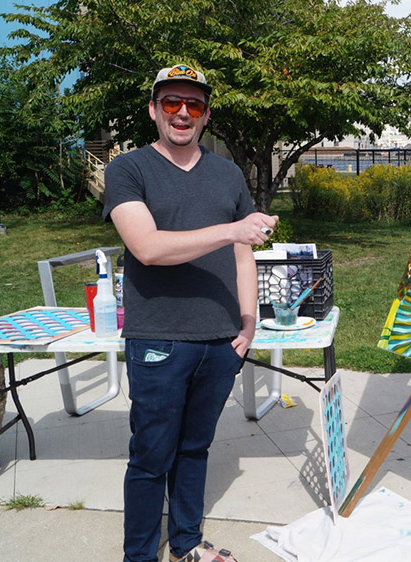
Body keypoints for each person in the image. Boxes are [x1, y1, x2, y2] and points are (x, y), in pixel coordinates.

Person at [103, 64, 277, 562]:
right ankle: (138, 556)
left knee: (195, 449)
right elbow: (148, 248)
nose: (183, 113)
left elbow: (244, 254)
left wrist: (249, 322)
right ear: (154, 109)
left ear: (204, 115)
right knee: (151, 457)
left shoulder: (227, 172)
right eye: (172, 103)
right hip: (159, 338)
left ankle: (185, 544)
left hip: (222, 341)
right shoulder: (128, 169)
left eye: (194, 105)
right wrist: (232, 230)